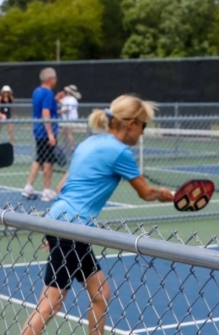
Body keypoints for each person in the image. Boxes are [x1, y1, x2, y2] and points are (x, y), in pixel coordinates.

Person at [21, 95, 173, 335]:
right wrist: (168, 195)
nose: (143, 133)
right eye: (143, 126)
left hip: (66, 223)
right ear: (132, 123)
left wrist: (55, 228)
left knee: (100, 292)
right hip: (73, 227)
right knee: (52, 300)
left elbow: (62, 187)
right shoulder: (120, 152)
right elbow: (146, 192)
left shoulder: (89, 143)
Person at [22, 68, 60, 202]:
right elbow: (46, 113)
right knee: (48, 161)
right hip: (45, 132)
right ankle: (47, 191)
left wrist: (56, 100)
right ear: (51, 79)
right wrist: (50, 134)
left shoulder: (37, 91)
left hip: (38, 130)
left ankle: (28, 187)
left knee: (39, 159)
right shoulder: (48, 93)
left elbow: (44, 107)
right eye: (54, 78)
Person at [58, 84, 81, 157]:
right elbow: (62, 102)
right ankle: (64, 146)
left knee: (69, 133)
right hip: (65, 118)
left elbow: (67, 109)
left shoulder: (72, 100)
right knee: (63, 132)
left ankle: (72, 147)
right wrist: (58, 97)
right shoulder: (66, 98)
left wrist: (59, 112)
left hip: (71, 118)